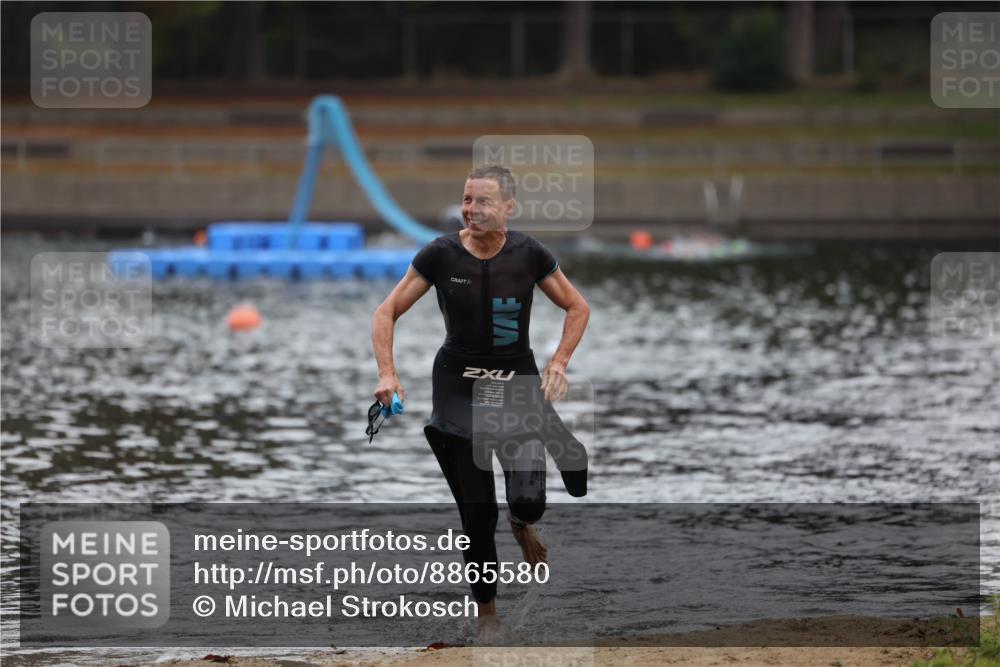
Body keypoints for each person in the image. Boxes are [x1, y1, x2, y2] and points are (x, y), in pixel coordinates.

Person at [371, 164, 589, 638]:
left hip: (516, 381)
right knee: (476, 512)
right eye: (467, 199)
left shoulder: (530, 255)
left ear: (509, 208)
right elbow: (386, 311)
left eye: (482, 202)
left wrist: (559, 363)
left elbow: (577, 306)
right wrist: (388, 372)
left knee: (533, 499)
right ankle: (488, 615)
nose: (470, 210)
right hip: (457, 385)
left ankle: (522, 522)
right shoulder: (440, 255)